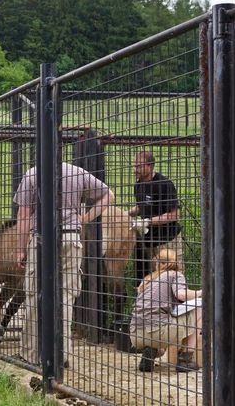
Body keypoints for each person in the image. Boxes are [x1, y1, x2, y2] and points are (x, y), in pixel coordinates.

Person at [15, 162, 111, 366]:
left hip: (41, 239)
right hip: (70, 238)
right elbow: (109, 195)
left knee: (34, 293)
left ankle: (31, 354)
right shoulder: (77, 172)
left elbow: (23, 215)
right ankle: (61, 354)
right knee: (66, 296)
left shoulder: (32, 174)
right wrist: (85, 218)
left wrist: (21, 249)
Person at [129, 249, 202, 372]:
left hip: (135, 334)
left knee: (163, 327)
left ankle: (152, 351)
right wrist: (201, 292)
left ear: (157, 263)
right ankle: (185, 359)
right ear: (175, 263)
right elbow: (181, 295)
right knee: (199, 309)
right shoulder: (175, 275)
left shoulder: (148, 279)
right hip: (157, 330)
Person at [129, 151, 183, 281]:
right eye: (134, 166)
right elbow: (141, 207)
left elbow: (174, 215)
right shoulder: (138, 185)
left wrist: (148, 221)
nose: (135, 170)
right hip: (150, 241)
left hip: (168, 239)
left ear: (150, 166)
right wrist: (124, 215)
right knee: (153, 280)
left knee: (172, 277)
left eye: (139, 166)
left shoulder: (164, 184)